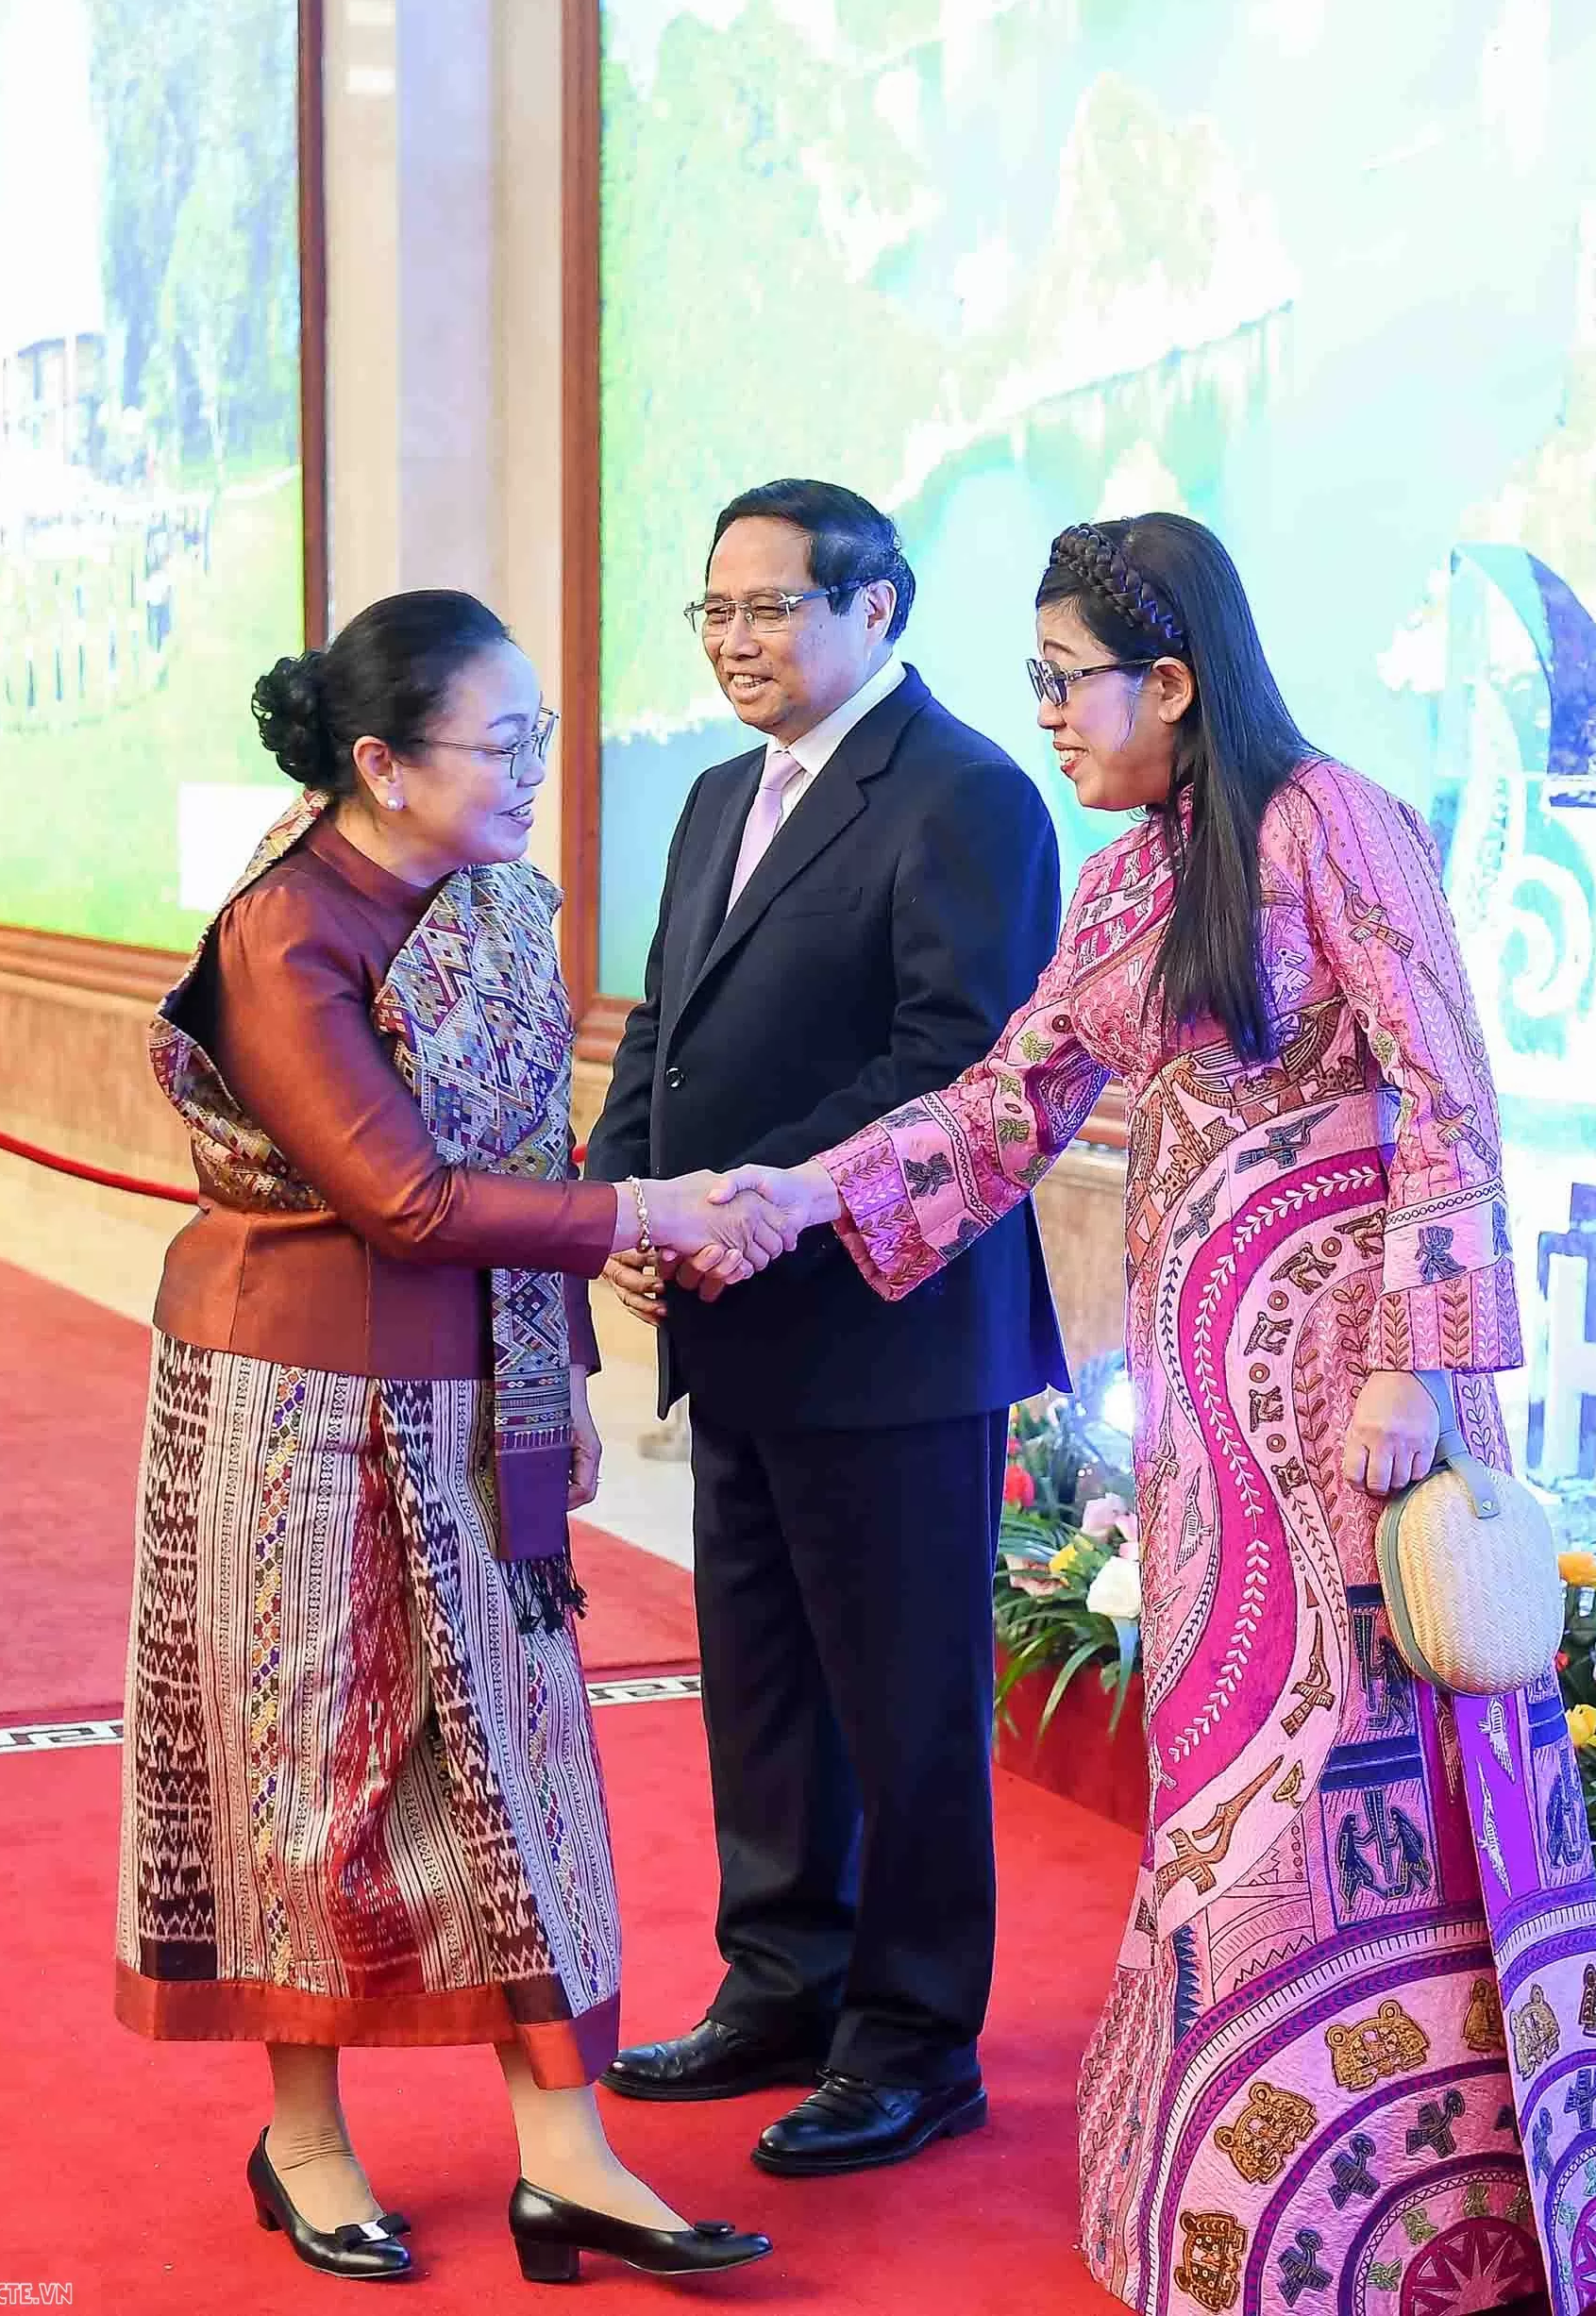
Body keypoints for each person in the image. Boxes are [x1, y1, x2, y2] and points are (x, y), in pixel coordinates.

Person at [716, 516, 1596, 2313]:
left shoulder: (1333, 821)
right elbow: (1002, 1105)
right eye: (1036, 678)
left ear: (1168, 680)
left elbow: (1446, 1093)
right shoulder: (1127, 881)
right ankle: (1260, 2208)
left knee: (1373, 1765)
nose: (1046, 712)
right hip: (1209, 1427)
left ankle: (1432, 2219)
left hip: (1360, 1408)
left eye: (1063, 676)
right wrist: (797, 1195)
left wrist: (1415, 1364)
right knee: (1232, 1774)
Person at [116, 589, 779, 2286]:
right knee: (309, 1771)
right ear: (381, 764)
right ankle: (302, 2137)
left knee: (521, 1761)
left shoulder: (483, 900)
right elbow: (405, 1200)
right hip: (292, 1408)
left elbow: (526, 1143)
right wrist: (640, 1210)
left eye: (540, 733)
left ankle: (566, 2154)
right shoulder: (286, 931)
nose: (535, 769)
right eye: (504, 741)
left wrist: (569, 1348)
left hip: (481, 1398)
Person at [583, 479, 1070, 2175]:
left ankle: (916, 2037)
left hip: (888, 1327)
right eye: (714, 611)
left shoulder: (965, 793)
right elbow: (662, 1026)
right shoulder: (718, 791)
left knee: (905, 1698)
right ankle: (782, 1983)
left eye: (769, 607)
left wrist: (737, 1201)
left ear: (878, 606)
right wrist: (627, 1200)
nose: (735, 642)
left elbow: (952, 1067)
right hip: (733, 1317)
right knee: (763, 1678)